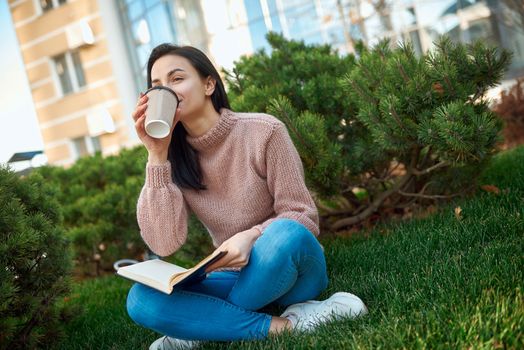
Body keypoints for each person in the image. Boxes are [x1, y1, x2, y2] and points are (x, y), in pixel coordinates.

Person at [126, 43, 368, 350]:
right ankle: (286, 325)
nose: (167, 91)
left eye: (176, 79)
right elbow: (163, 243)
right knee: (141, 299)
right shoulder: (174, 159)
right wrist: (156, 155)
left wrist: (251, 236)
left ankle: (202, 325)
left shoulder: (264, 131)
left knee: (284, 234)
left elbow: (301, 213)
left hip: (288, 263)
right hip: (234, 278)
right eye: (157, 86)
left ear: (209, 84)